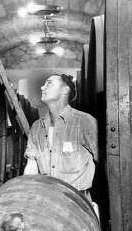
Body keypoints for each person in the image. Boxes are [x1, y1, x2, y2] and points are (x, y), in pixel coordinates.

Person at [24, 73, 98, 208]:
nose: (42, 87)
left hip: (77, 204)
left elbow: (107, 164)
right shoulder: (36, 127)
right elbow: (31, 168)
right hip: (45, 202)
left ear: (65, 90)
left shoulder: (85, 122)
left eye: (49, 83)